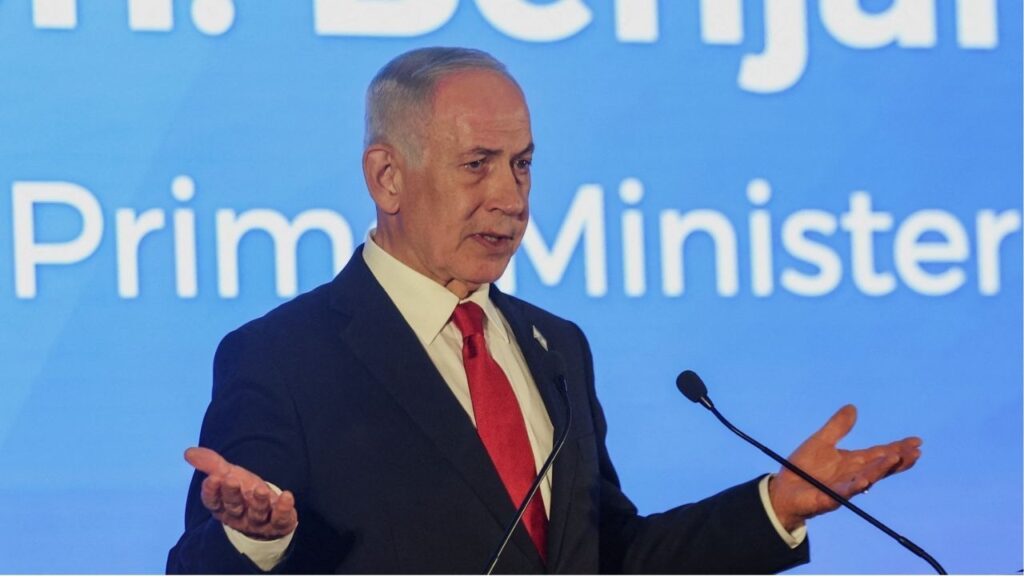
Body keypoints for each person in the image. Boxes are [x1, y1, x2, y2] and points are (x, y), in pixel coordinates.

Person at [167, 47, 922, 574]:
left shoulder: (556, 347)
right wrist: (254, 541)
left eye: (522, 165)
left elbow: (607, 555)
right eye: (477, 166)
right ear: (388, 177)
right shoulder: (284, 357)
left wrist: (774, 506)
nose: (510, 197)